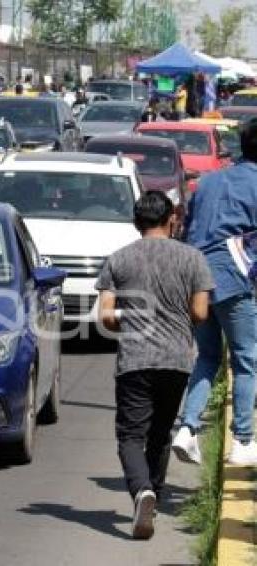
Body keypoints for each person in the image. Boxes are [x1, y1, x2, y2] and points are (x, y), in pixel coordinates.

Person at [96, 192, 213, 540]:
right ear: (171, 220)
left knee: (131, 435)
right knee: (160, 434)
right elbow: (201, 313)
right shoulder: (193, 258)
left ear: (136, 223)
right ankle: (153, 494)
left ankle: (141, 491)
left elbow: (105, 316)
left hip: (134, 360)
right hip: (176, 360)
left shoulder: (118, 259)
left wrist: (129, 323)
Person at [172, 119, 257, 466]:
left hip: (196, 278)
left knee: (206, 358)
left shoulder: (207, 182)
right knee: (246, 360)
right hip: (235, 279)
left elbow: (189, 228)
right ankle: (244, 440)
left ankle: (187, 428)